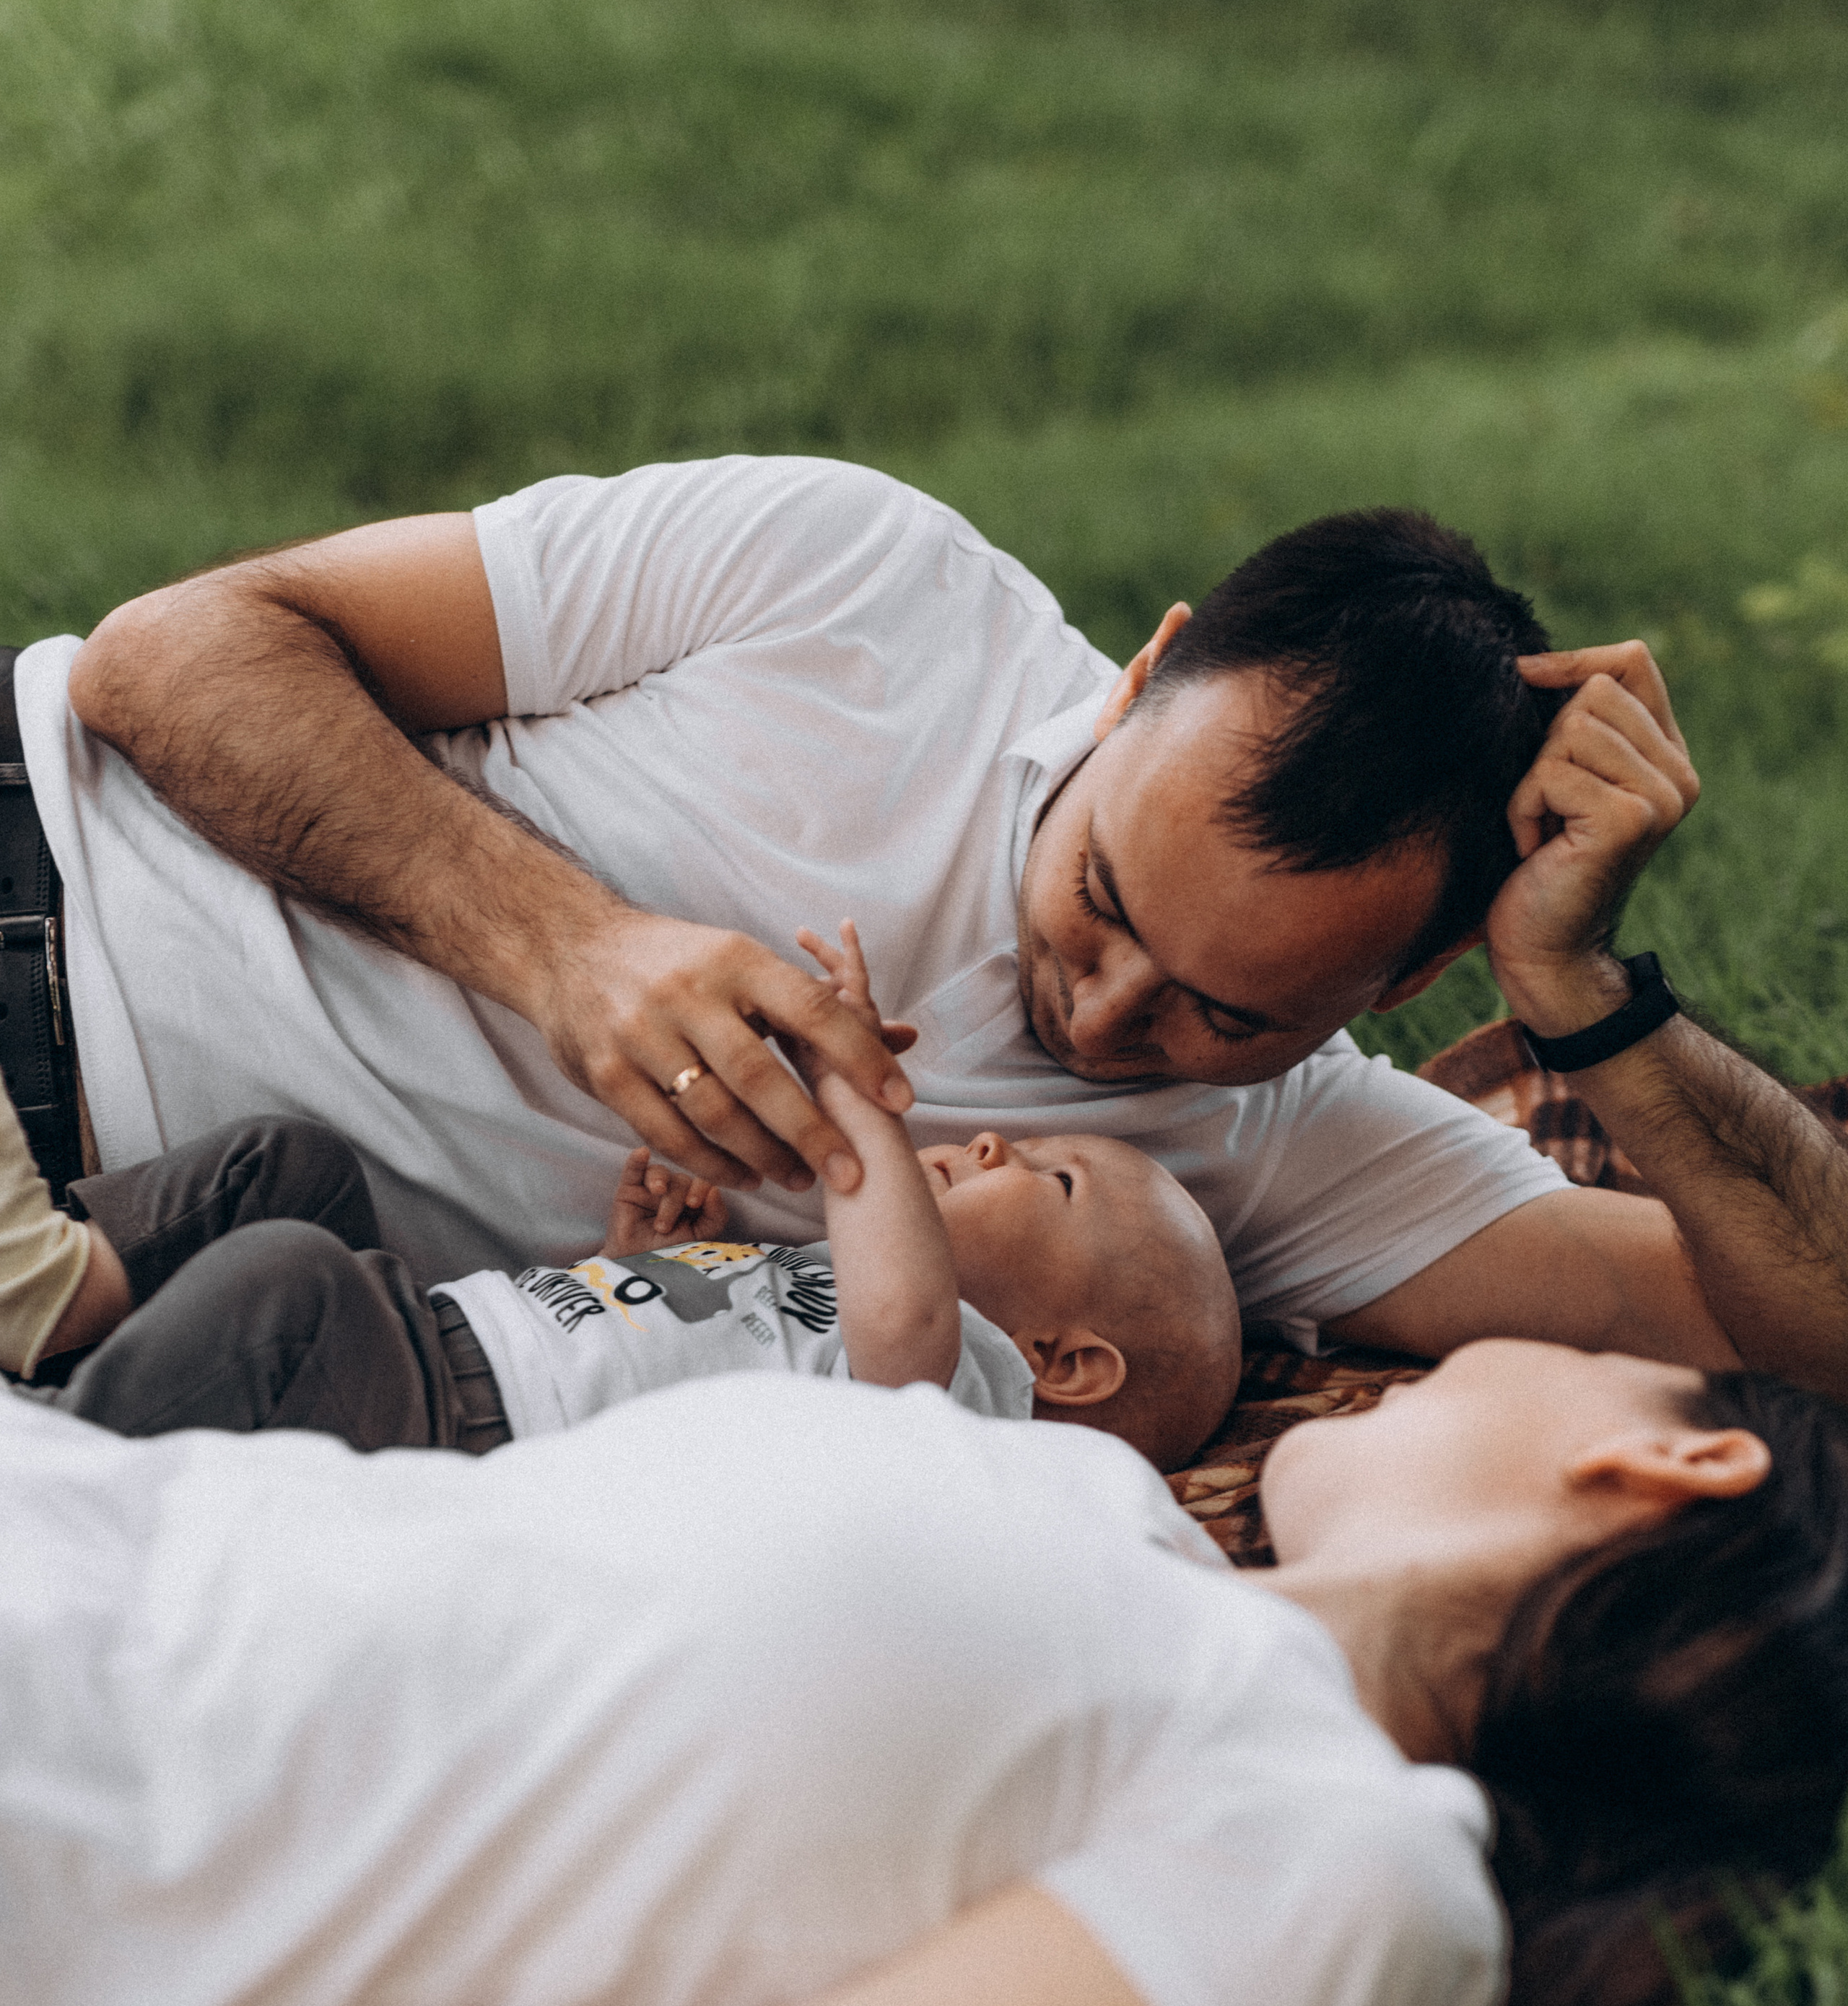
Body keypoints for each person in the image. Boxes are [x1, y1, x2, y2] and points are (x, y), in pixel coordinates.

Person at [1, 1336, 1844, 2006]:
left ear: (1672, 1462)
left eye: (1608, 1352)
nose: (1443, 1358)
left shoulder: (1350, 1878)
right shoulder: (1093, 1498)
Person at [13, 474, 1848, 1405]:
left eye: (1228, 1011)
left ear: (1406, 989)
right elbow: (168, 660)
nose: (1103, 1015)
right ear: (1140, 679)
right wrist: (569, 948)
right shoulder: (858, 585)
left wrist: (1585, 1000)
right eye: (1105, 901)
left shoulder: (1280, 1156)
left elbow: (1810, 1325)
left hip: (140, 1286)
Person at [0, 925, 1242, 1470]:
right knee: (293, 1169)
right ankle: (45, 1290)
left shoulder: (958, 1406)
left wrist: (856, 1091)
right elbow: (629, 1339)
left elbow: (904, 1320)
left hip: (464, 1441)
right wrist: (626, 1255)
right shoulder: (817, 1304)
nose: (989, 1152)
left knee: (289, 1287)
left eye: (1050, 1176)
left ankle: (50, 1463)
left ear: (1065, 1363)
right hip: (433, 1350)